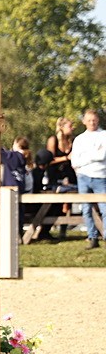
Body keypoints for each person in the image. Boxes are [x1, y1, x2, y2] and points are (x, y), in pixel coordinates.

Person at [70, 107, 106, 249]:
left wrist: (84, 158)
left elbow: (102, 156)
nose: (92, 123)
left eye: (94, 120)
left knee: (104, 208)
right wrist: (92, 156)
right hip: (83, 177)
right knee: (86, 209)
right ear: (84, 121)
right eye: (89, 120)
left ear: (98, 120)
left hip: (100, 176)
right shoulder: (79, 139)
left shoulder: (103, 135)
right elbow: (74, 161)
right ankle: (92, 237)